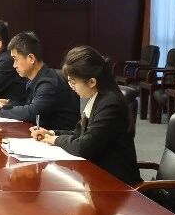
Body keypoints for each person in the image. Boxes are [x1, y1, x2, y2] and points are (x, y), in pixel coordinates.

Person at [31, 45, 141, 186]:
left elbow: (83, 148)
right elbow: (79, 133)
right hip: (98, 175)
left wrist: (55, 140)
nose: (71, 86)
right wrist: (50, 133)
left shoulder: (110, 104)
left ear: (92, 82)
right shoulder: (98, 97)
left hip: (117, 184)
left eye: (73, 82)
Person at [0, 32, 79, 130]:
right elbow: (29, 105)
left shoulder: (48, 82)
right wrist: (8, 103)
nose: (14, 65)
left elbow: (33, 112)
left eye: (15, 59)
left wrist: (0, 110)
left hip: (58, 136)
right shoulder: (36, 79)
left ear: (31, 58)